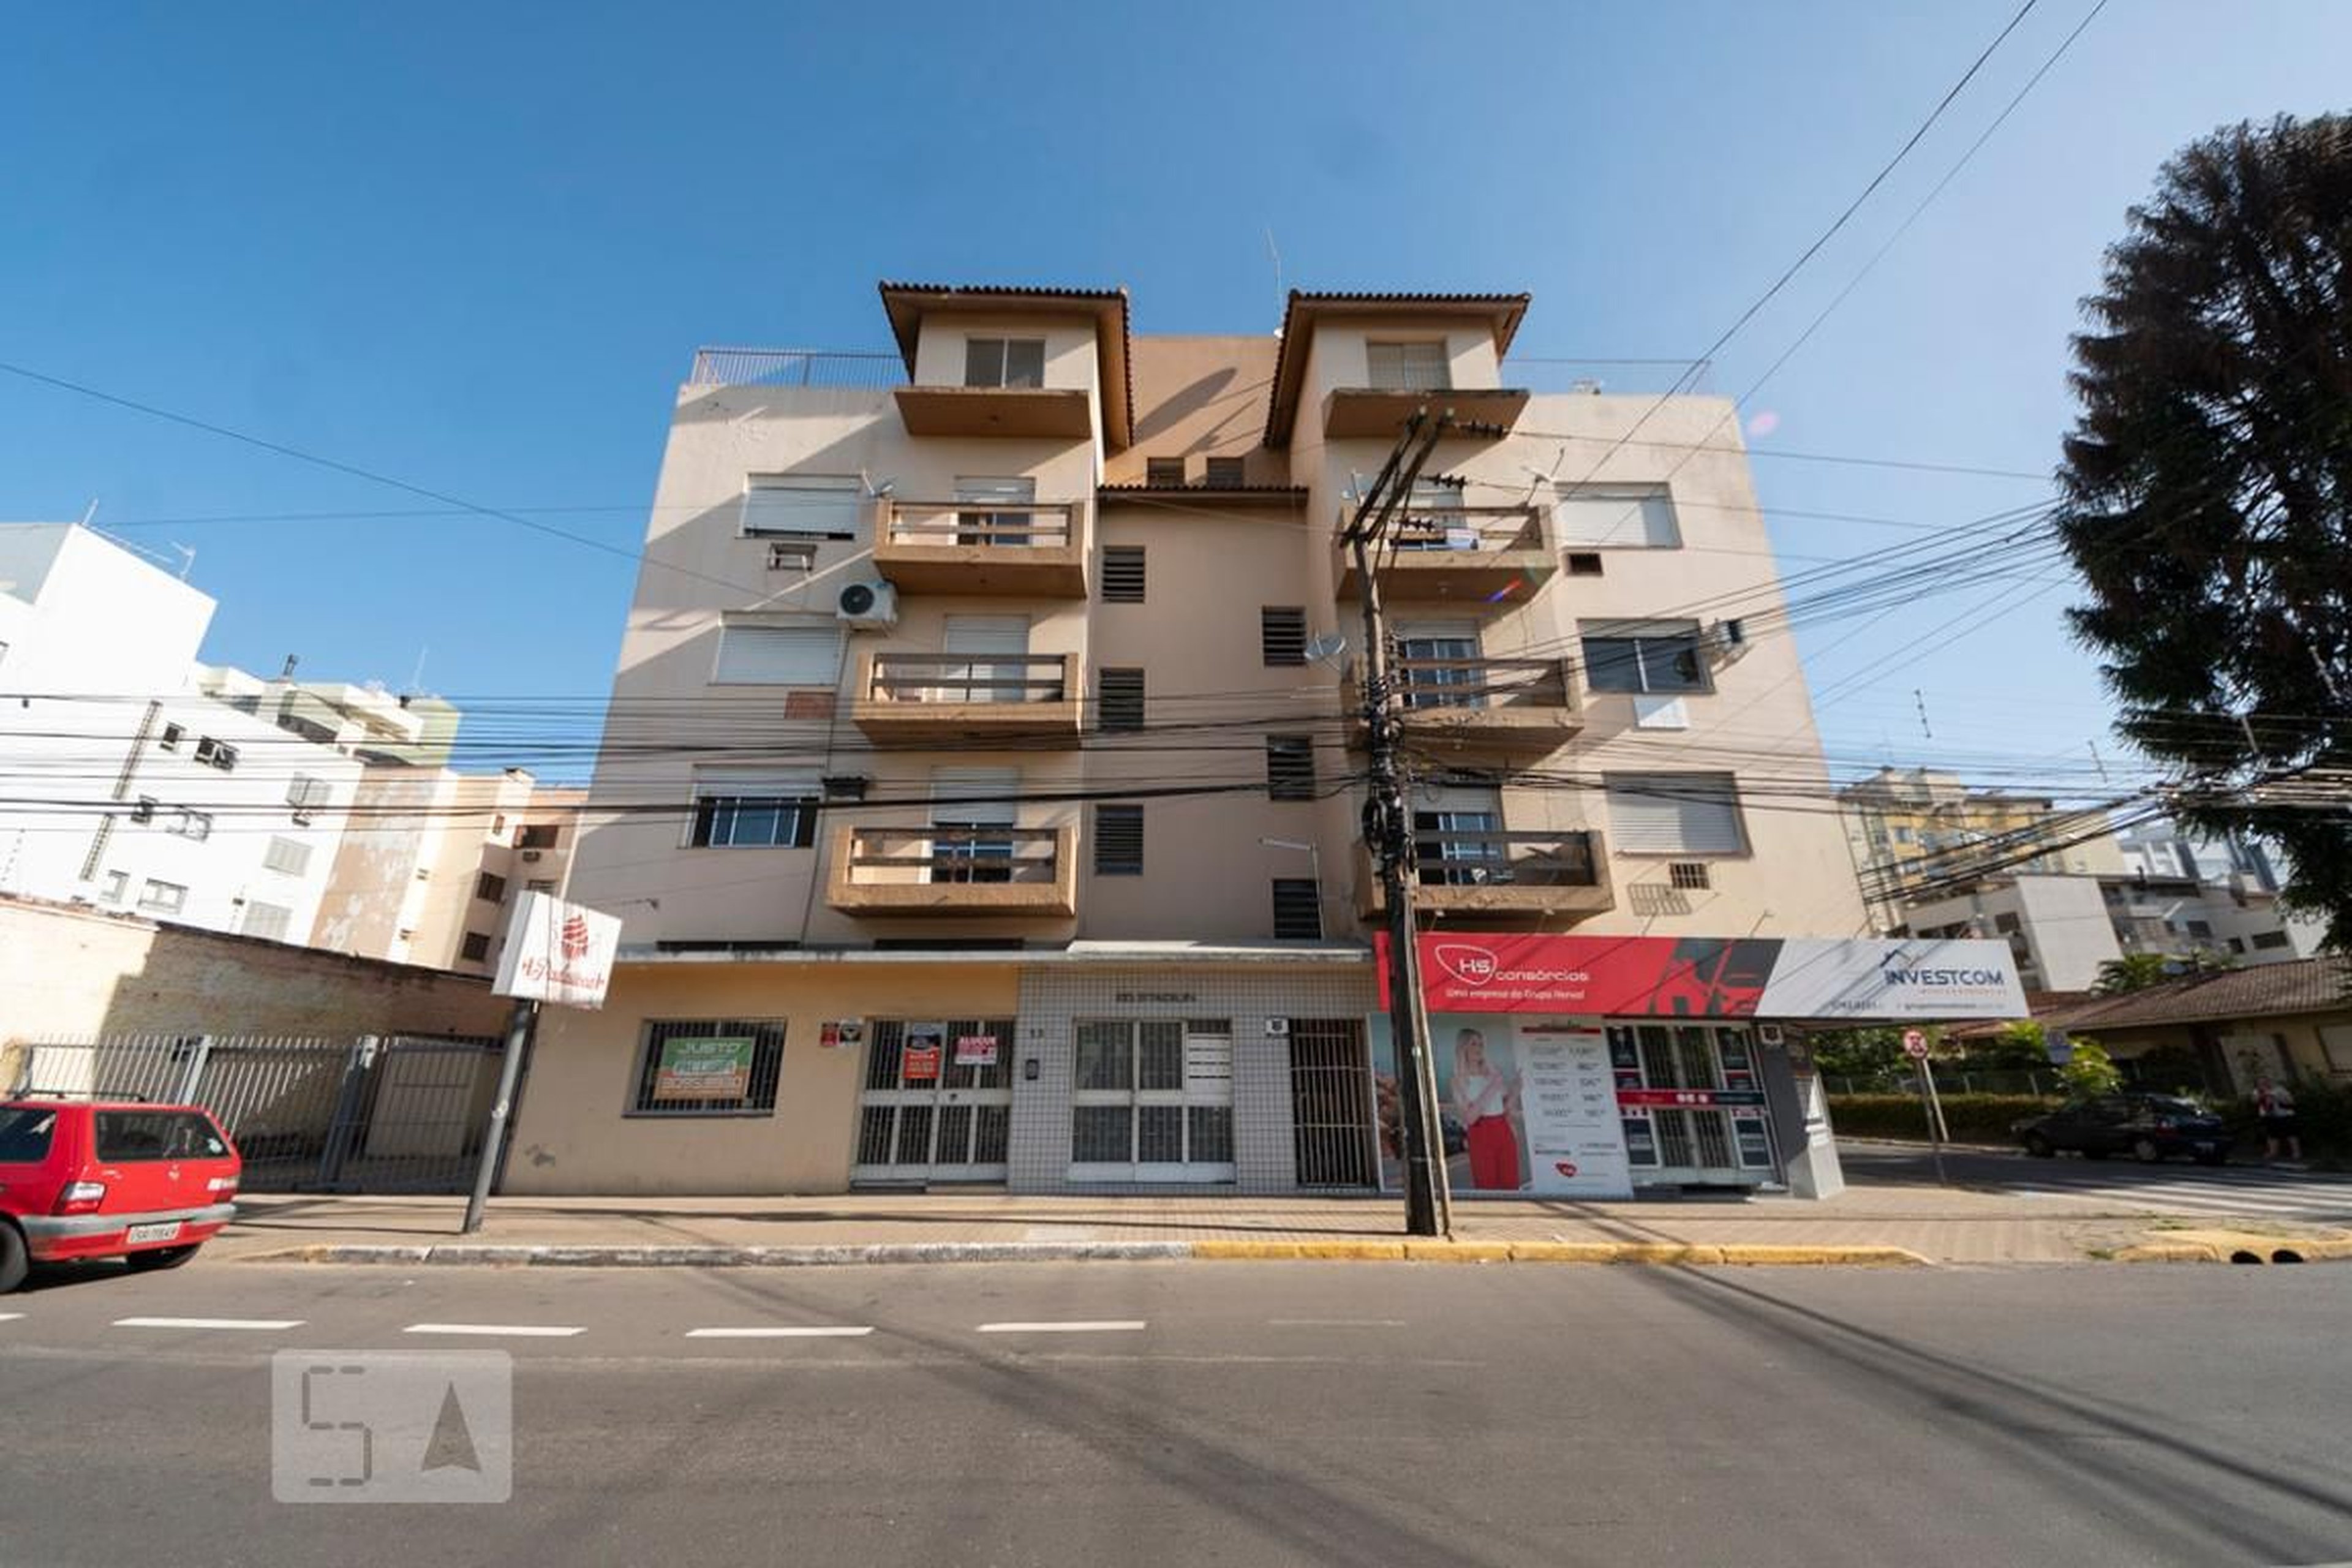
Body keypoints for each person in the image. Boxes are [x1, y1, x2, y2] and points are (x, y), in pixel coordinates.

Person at [1451, 1028, 1523, 1191]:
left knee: (1511, 1184)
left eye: (1481, 1044)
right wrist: (1492, 1088)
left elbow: (1506, 1108)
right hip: (1480, 1133)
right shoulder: (1458, 1080)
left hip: (1503, 1130)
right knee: (1487, 1185)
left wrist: (1517, 1089)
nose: (1479, 1049)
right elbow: (1470, 1118)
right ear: (1463, 1048)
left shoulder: (1492, 1073)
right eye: (1473, 1044)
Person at [2253, 1075, 2302, 1163]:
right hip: (2270, 1116)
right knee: (2272, 1135)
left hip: (2285, 1115)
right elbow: (2255, 1102)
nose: (2263, 1084)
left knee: (2291, 1134)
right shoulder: (2257, 1092)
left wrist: (2277, 1097)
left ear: (2269, 1082)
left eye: (2265, 1082)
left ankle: (2297, 1153)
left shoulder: (2279, 1090)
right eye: (2260, 1083)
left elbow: (2291, 1101)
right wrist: (2263, 1095)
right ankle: (2274, 1153)